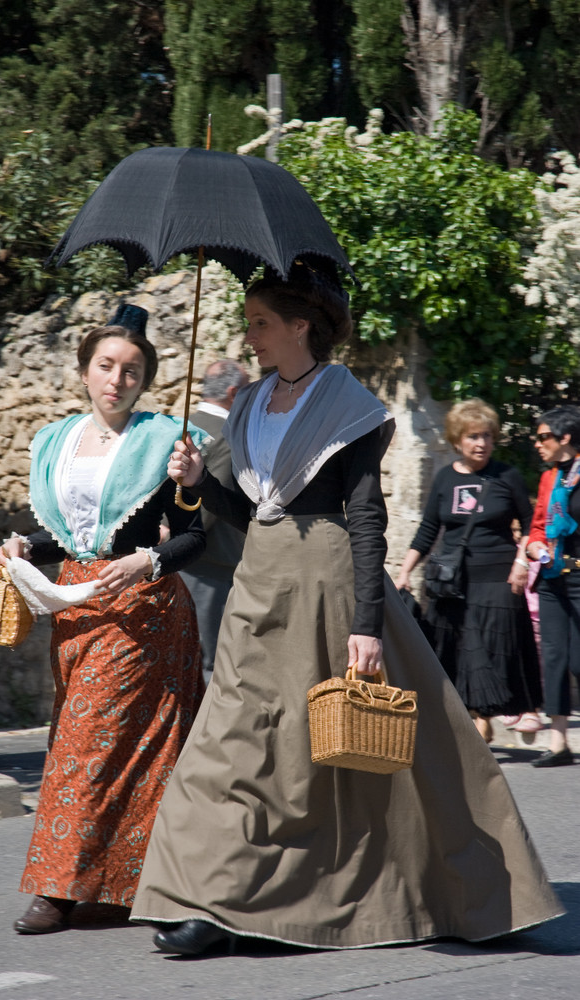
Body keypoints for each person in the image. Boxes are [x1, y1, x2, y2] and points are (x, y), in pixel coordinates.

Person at [128, 264, 561, 955]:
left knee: (350, 758)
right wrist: (197, 482)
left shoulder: (348, 406)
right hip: (259, 584)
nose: (251, 335)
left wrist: (366, 625)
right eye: (249, 323)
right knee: (226, 746)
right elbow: (251, 512)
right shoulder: (247, 404)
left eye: (261, 322)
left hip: (328, 586)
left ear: (302, 326)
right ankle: (200, 899)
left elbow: (365, 518)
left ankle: (473, 892)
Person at [0, 303, 207, 934]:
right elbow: (70, 536)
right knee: (96, 745)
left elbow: (192, 537)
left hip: (141, 612)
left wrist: (153, 551)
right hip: (75, 610)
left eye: (132, 371)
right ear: (85, 371)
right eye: (106, 366)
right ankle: (116, 886)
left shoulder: (166, 441)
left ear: (145, 380)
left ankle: (58, 889)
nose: (118, 379)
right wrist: (26, 547)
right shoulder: (57, 443)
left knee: (94, 745)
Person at [395, 399, 542, 745]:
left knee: (493, 648)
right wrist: (403, 573)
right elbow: (428, 531)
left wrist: (522, 563)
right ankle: (477, 715)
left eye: (487, 436)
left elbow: (531, 523)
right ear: (457, 440)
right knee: (459, 649)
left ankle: (493, 712)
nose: (481, 443)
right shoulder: (445, 478)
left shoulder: (507, 476)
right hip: (453, 583)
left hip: (498, 579)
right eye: (473, 436)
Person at [180, 360, 250, 672]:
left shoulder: (180, 424)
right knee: (212, 663)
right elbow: (210, 501)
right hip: (211, 564)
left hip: (172, 558)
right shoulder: (228, 435)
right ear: (234, 393)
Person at [525, 405, 580, 767]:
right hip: (552, 577)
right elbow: (539, 526)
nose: (537, 444)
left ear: (566, 438)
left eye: (544, 437)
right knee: (555, 657)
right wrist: (533, 546)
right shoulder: (549, 479)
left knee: (578, 658)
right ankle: (558, 742)